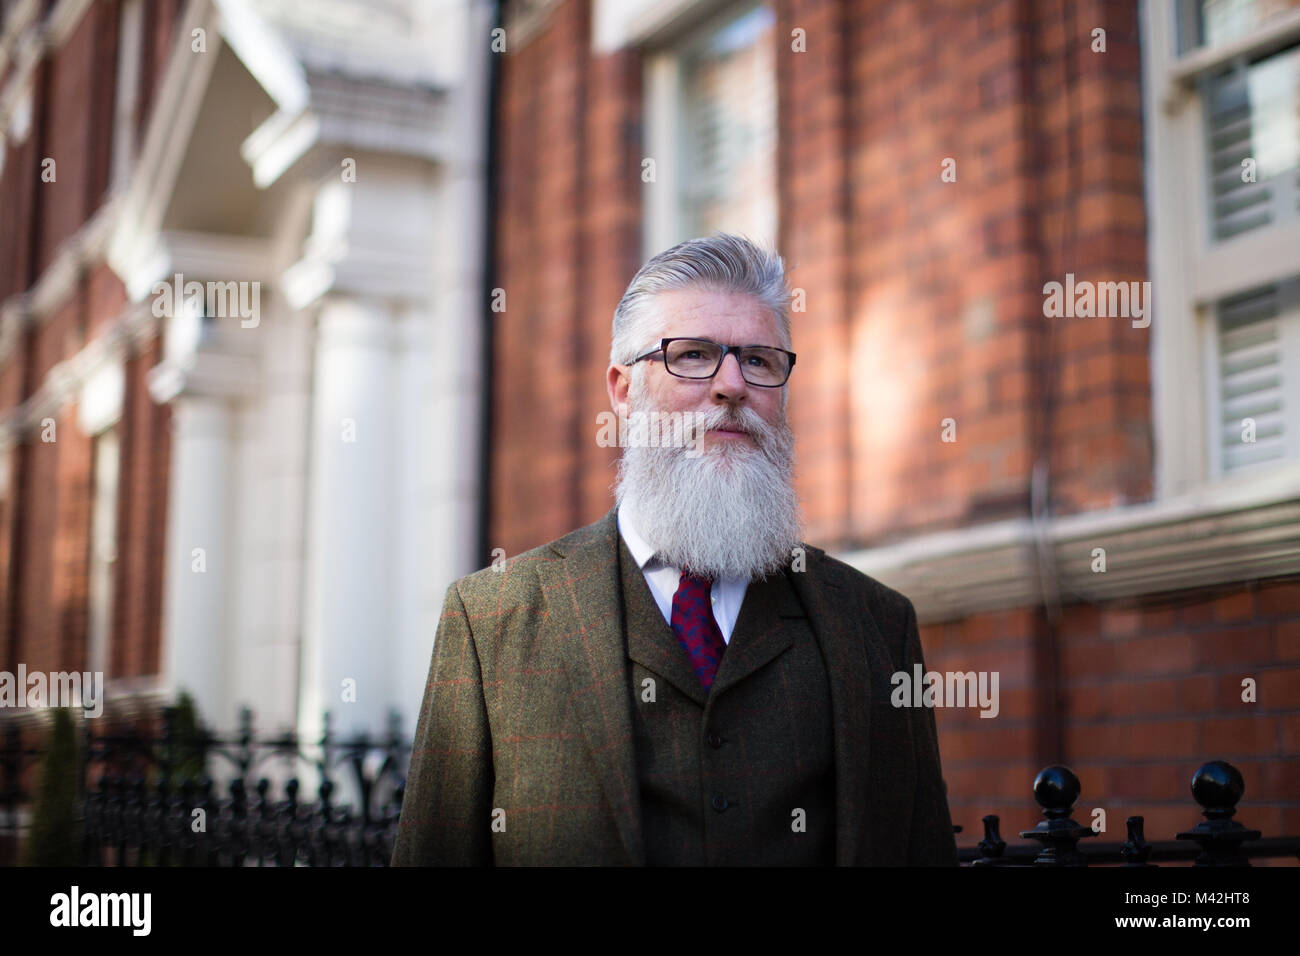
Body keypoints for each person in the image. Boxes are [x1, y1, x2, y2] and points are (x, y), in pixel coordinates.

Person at [392, 233, 959, 866]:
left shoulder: (878, 626)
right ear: (623, 391)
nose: (731, 386)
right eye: (691, 355)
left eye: (760, 361)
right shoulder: (491, 620)